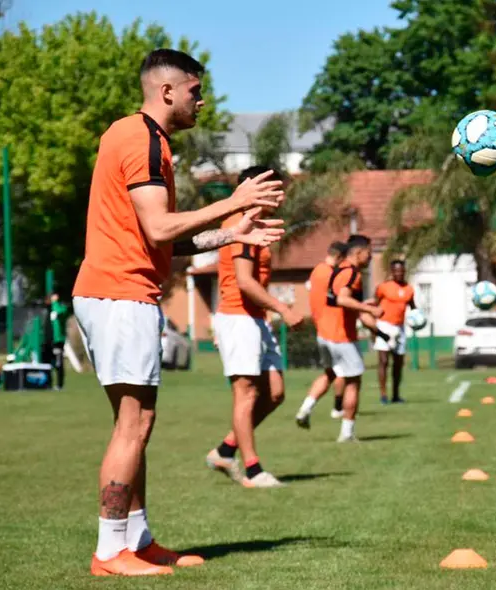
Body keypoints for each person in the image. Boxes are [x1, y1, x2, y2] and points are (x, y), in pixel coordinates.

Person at [71, 49, 285, 576]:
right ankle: (109, 551)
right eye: (195, 90)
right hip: (120, 294)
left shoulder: (143, 138)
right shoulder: (142, 139)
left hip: (118, 291)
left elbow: (163, 241)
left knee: (136, 422)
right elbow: (160, 227)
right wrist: (234, 202)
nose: (202, 101)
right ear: (167, 91)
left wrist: (232, 235)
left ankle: (137, 540)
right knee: (134, 423)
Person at [205, 166, 304, 489]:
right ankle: (253, 470)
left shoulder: (256, 224)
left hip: (254, 319)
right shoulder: (240, 224)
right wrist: (283, 309)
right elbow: (244, 282)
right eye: (276, 190)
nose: (281, 197)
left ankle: (225, 450)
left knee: (274, 393)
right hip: (239, 318)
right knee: (246, 394)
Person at [319, 234, 384, 442]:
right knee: (353, 382)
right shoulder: (352, 273)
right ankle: (346, 433)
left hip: (328, 334)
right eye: (369, 253)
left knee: (334, 377)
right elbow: (342, 299)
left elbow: (345, 305)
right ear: (358, 252)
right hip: (342, 336)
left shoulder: (338, 270)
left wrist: (378, 331)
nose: (370, 257)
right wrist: (369, 309)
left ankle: (308, 409)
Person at [295, 241, 348, 428]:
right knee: (344, 371)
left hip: (322, 330)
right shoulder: (332, 275)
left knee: (329, 373)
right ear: (340, 257)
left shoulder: (317, 270)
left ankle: (305, 408)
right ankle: (338, 409)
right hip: (334, 329)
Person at [373, 260, 416, 405]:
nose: (399, 273)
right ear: (392, 272)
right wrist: (373, 326)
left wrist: (417, 319)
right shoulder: (383, 287)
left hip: (400, 328)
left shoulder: (409, 289)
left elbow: (413, 307)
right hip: (384, 325)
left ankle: (396, 395)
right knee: (383, 361)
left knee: (398, 363)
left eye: (401, 271)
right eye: (396, 271)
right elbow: (375, 304)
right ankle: (383, 395)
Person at [46, 293, 69, 390]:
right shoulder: (48, 309)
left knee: (58, 363)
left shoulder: (61, 308)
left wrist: (55, 302)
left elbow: (60, 312)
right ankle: (48, 384)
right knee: (48, 363)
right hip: (48, 341)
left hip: (57, 341)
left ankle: (59, 385)